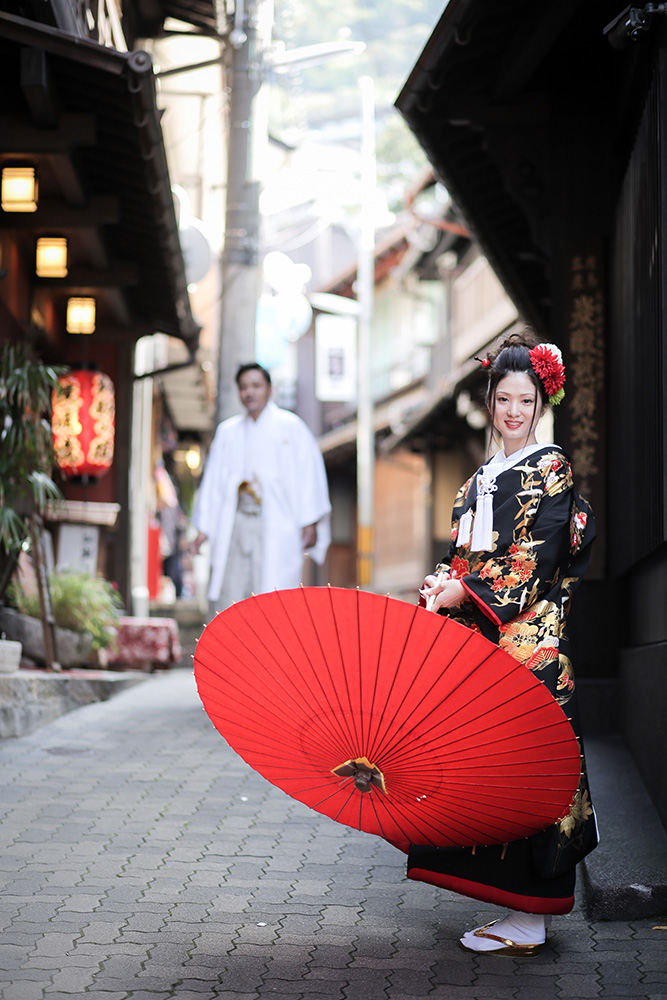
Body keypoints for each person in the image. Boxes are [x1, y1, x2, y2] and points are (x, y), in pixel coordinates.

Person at [414, 331, 597, 956]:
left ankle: (533, 915)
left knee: (535, 768)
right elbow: (461, 555)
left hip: (530, 644)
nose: (514, 411)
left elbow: (537, 557)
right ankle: (513, 910)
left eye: (526, 400)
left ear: (541, 404)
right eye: (504, 399)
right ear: (490, 403)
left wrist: (465, 592)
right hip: (486, 644)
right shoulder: (478, 481)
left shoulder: (551, 469)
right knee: (492, 768)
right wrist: (443, 581)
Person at [191, 362, 331, 618]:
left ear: (269, 388)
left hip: (278, 521)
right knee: (231, 590)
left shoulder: (292, 427)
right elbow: (213, 484)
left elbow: (309, 475)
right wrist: (203, 528)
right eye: (244, 387)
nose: (250, 393)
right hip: (236, 520)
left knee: (272, 594)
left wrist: (309, 520)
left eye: (256, 386)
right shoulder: (227, 432)